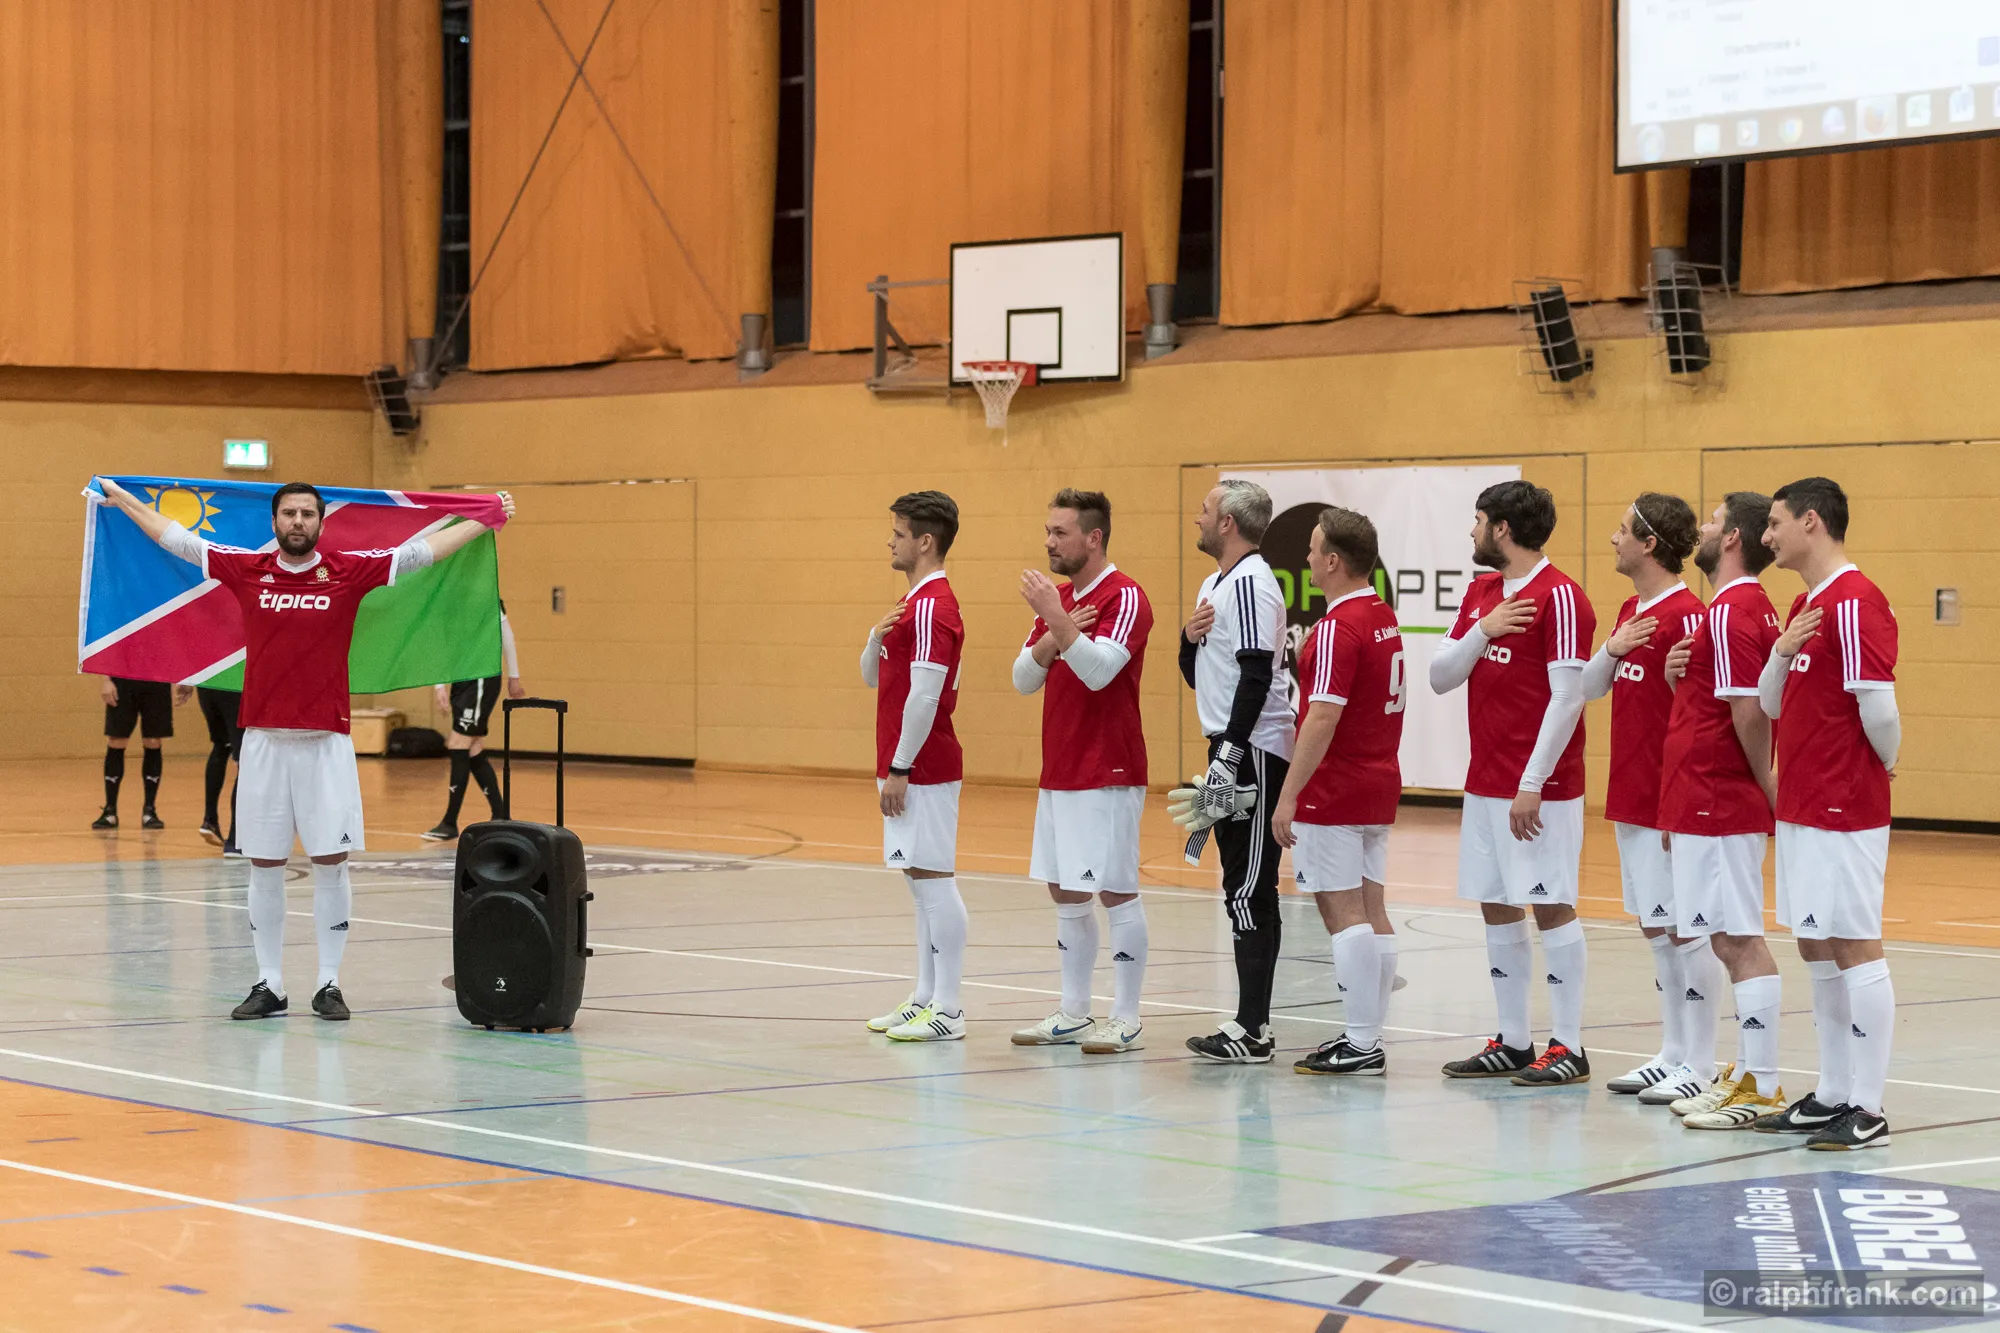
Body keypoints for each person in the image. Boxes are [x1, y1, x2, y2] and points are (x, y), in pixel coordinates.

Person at [92, 476, 512, 1023]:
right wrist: (124, 500)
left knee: (331, 864)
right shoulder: (248, 569)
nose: (298, 522)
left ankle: (328, 984)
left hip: (326, 744)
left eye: (307, 514)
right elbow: (178, 539)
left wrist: (482, 519)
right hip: (264, 742)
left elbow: (420, 553)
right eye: (289, 513)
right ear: (274, 522)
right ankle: (269, 983)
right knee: (264, 865)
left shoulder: (348, 571)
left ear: (320, 522)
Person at [1429, 480, 1597, 1086]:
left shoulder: (1562, 597)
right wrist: (1484, 629)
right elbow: (1440, 675)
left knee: (1550, 903)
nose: (1471, 531)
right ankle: (1515, 1040)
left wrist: (1533, 781)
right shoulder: (1482, 593)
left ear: (1502, 528)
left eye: (1478, 520)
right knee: (1496, 904)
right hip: (1485, 781)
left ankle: (1569, 1044)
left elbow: (1568, 697)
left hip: (1541, 788)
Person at [1753, 477, 1900, 1151]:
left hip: (1844, 804)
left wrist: (1881, 764)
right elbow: (1771, 704)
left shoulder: (1858, 601)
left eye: (1775, 522)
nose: (1767, 536)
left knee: (1853, 940)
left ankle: (1868, 1107)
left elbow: (1880, 712)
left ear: (1811, 522)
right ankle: (1833, 1092)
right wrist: (1781, 650)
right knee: (1815, 943)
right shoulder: (1805, 605)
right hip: (1802, 802)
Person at [1577, 495, 1717, 1107]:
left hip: (1671, 801)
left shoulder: (1688, 616)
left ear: (1650, 543)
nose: (1614, 539)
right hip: (1630, 794)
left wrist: (1678, 803)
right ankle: (1673, 1052)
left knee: (1688, 929)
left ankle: (1701, 1063)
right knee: (1656, 926)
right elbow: (1588, 688)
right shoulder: (1632, 611)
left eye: (1622, 531)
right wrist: (1612, 648)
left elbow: (1703, 716)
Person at [1651, 492, 1786, 1127]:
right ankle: (1747, 1071)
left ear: (1732, 537)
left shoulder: (1733, 610)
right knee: (1725, 939)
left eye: (1712, 520)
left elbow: (1749, 712)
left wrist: (1767, 786)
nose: (1702, 529)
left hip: (1719, 797)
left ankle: (1762, 1083)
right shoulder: (1729, 610)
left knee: (1738, 938)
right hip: (1700, 798)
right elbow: (1712, 703)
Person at [1012, 488, 1154, 1055]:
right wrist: (1056, 629)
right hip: (1061, 766)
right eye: (1047, 531)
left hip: (1109, 768)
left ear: (1093, 538)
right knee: (1065, 889)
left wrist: (1056, 621)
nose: (1049, 542)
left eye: (1060, 532)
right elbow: (1023, 678)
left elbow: (1099, 672)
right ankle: (1073, 1011)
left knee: (1115, 889)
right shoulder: (1064, 600)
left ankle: (1126, 1017)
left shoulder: (1126, 597)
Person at [1270, 507, 1404, 1076]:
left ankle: (1362, 1041)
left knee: (1341, 910)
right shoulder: (1381, 616)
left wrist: (1289, 795)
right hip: (1377, 782)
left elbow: (1321, 716)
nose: (1305, 557)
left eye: (1312, 548)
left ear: (1331, 561)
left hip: (1337, 787)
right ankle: (1368, 1036)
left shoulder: (1336, 629)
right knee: (1372, 908)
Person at [1177, 480, 1296, 1064]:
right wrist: (1186, 638)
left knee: (1250, 885)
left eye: (1205, 510)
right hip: (1229, 745)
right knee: (1238, 882)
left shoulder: (1251, 582)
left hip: (1253, 750)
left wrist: (1230, 755)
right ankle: (1253, 1026)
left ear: (1227, 523)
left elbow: (1255, 675)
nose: (1197, 517)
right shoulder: (1215, 584)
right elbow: (1200, 674)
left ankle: (1252, 1030)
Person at [861, 491, 971, 1043]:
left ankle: (949, 1008)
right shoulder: (910, 605)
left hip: (923, 765)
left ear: (925, 542)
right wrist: (873, 637)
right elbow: (872, 677)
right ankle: (925, 996)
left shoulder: (933, 606)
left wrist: (901, 767)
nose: (890, 541)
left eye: (899, 533)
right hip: (903, 763)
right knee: (918, 883)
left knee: (935, 880)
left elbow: (926, 696)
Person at [424, 603, 526, 841]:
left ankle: (450, 822)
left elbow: (507, 636)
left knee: (458, 743)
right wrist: (439, 685)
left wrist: (514, 676)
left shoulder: (486, 597)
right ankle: (501, 814)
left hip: (481, 678)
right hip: (462, 678)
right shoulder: (451, 599)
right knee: (473, 748)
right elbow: (443, 643)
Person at [92, 675, 179, 830]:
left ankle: (149, 810)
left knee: (153, 741)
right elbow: (105, 656)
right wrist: (106, 680)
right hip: (123, 679)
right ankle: (110, 810)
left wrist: (182, 680)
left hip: (156, 680)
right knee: (117, 740)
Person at [197, 684, 246, 856]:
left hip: (207, 686)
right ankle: (235, 840)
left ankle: (209, 819)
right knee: (245, 761)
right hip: (235, 687)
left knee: (221, 745)